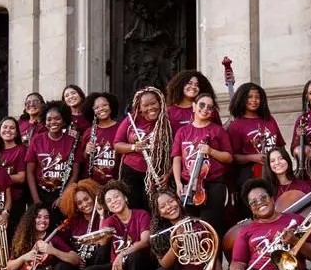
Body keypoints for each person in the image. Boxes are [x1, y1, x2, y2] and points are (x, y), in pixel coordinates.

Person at [172, 93, 233, 236]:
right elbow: (177, 158)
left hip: (213, 185)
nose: (205, 109)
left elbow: (229, 157)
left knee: (210, 227)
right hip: (190, 185)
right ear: (194, 106)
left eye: (210, 107)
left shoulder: (218, 131)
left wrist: (211, 151)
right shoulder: (183, 131)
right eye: (202, 105)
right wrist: (178, 183)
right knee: (192, 227)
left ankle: (214, 258)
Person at [227, 83, 285, 219]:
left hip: (274, 171)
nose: (254, 100)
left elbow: (280, 146)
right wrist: (252, 157)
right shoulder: (236, 125)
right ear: (242, 99)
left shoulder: (269, 120)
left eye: (257, 97)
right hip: (250, 175)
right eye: (250, 97)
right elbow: (233, 157)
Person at [114, 87, 172, 211]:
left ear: (160, 102)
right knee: (133, 207)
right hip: (131, 171)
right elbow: (117, 145)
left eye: (153, 103)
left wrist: (168, 174)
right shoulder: (131, 120)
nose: (150, 108)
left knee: (153, 208)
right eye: (145, 105)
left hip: (156, 173)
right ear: (139, 107)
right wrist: (134, 147)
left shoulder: (167, 122)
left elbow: (177, 153)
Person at [26, 100, 83, 209]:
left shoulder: (73, 141)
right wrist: (36, 199)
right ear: (44, 121)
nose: (53, 122)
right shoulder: (37, 140)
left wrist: (63, 197)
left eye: (57, 119)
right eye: (49, 119)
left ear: (64, 120)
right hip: (39, 192)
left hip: (63, 192)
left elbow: (75, 174)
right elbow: (30, 172)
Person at [0, 116, 28, 247]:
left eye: (12, 128)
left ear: (16, 132)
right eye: (5, 127)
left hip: (15, 201)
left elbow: (21, 177)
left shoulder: (21, 150)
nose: (8, 130)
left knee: (11, 237)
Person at [80, 92, 121, 185]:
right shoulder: (89, 131)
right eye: (97, 107)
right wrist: (86, 151)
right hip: (92, 183)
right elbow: (81, 159)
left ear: (111, 106)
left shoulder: (121, 127)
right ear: (93, 111)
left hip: (116, 182)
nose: (101, 109)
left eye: (104, 105)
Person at [165, 70, 221, 135]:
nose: (193, 87)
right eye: (189, 83)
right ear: (180, 85)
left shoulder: (208, 108)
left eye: (197, 85)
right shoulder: (169, 112)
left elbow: (219, 132)